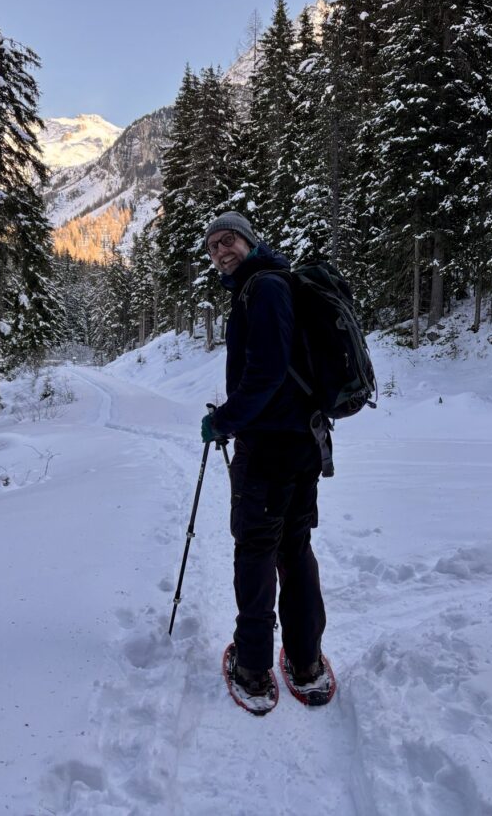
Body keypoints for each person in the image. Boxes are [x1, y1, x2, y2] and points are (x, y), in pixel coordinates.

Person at [200, 211, 333, 708]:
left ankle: (254, 668)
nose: (220, 252)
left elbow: (267, 373)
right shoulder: (271, 284)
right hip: (301, 443)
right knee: (293, 550)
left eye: (228, 240)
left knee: (257, 550)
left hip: (270, 449)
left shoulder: (265, 288)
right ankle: (306, 662)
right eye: (213, 247)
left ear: (249, 241)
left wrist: (225, 420)